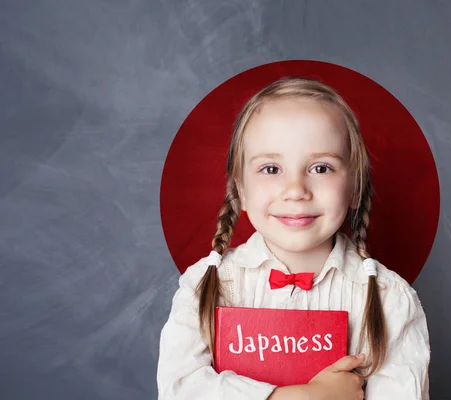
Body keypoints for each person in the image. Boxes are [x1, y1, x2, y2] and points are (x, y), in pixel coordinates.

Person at [156, 77, 430, 399]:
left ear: (354, 187)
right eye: (271, 169)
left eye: (321, 168)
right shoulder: (206, 285)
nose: (296, 190)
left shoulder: (390, 300)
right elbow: (181, 390)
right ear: (240, 190)